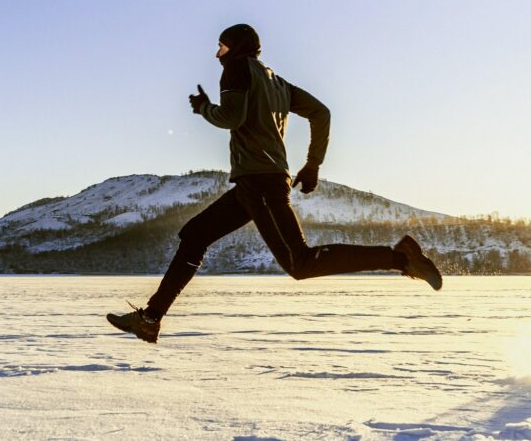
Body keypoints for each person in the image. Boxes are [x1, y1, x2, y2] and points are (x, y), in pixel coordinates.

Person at [107, 24, 441, 343]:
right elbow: (321, 113)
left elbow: (231, 117)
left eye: (221, 46)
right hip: (256, 183)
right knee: (195, 235)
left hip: (260, 184)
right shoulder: (277, 83)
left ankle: (399, 257)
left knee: (300, 263)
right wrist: (312, 165)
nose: (217, 54)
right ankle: (150, 319)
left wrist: (204, 108)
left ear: (235, 48)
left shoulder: (237, 69)